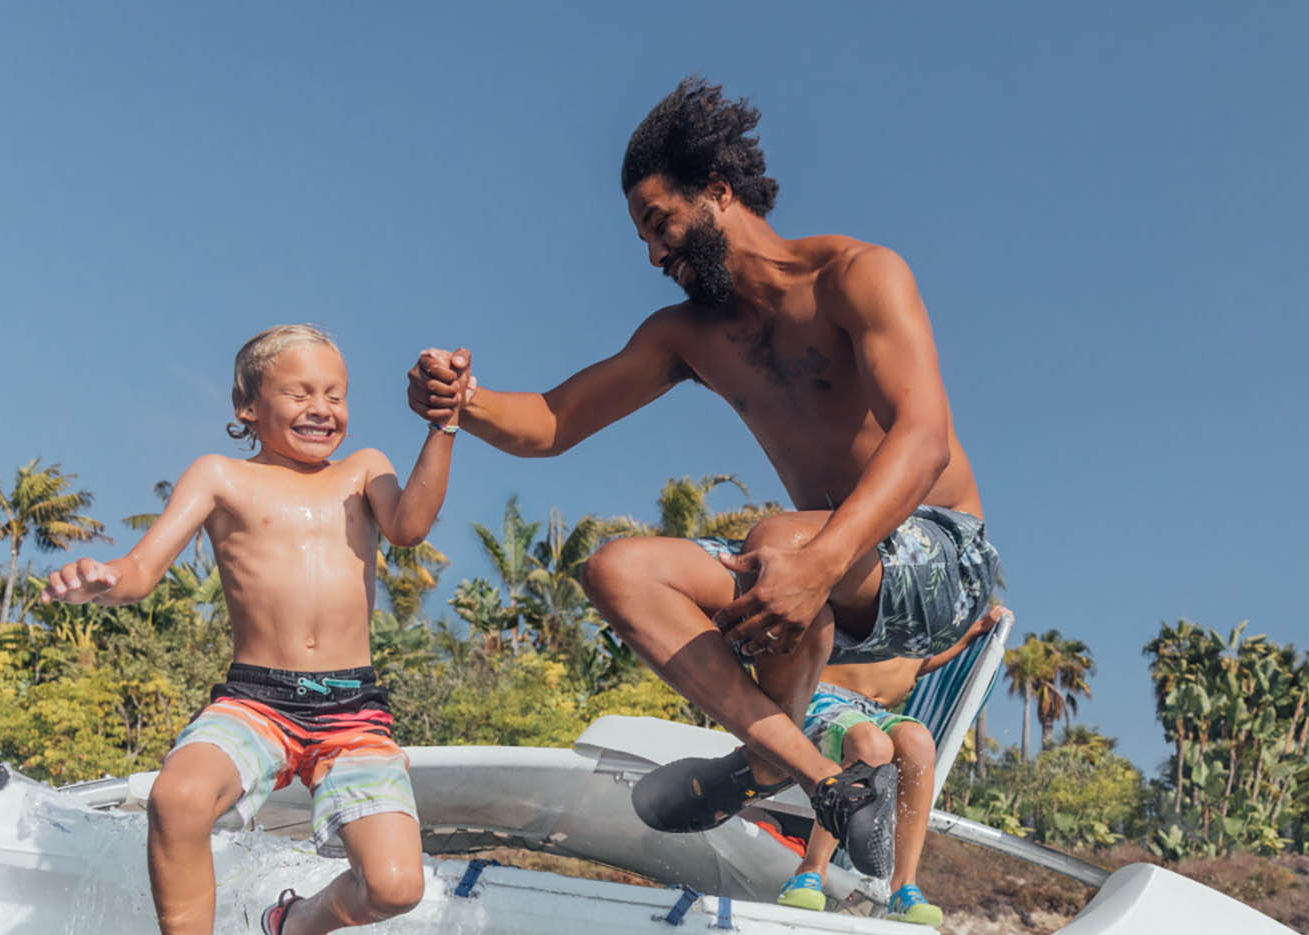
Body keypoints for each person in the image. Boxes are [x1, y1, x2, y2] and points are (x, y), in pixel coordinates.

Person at [408, 78, 999, 880]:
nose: (655, 256)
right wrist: (463, 401)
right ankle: (809, 772)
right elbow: (552, 421)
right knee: (617, 569)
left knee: (778, 541)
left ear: (718, 194)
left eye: (662, 225)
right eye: (645, 240)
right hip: (823, 569)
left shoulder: (854, 275)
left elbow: (924, 438)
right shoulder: (685, 336)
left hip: (941, 557)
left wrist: (818, 564)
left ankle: (757, 763)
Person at [42, 323, 459, 935]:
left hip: (352, 714)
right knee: (178, 796)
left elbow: (411, 526)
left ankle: (299, 928)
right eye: (299, 392)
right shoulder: (219, 477)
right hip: (256, 703)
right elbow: (141, 570)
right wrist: (105, 580)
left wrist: (443, 427)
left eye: (334, 393)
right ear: (247, 404)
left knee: (396, 887)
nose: (321, 407)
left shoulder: (363, 470)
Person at [775, 605, 1006, 926]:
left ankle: (903, 886)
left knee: (918, 740)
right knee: (872, 744)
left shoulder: (917, 618)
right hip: (821, 699)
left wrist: (973, 631)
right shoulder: (870, 593)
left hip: (873, 711)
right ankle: (811, 870)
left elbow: (920, 663)